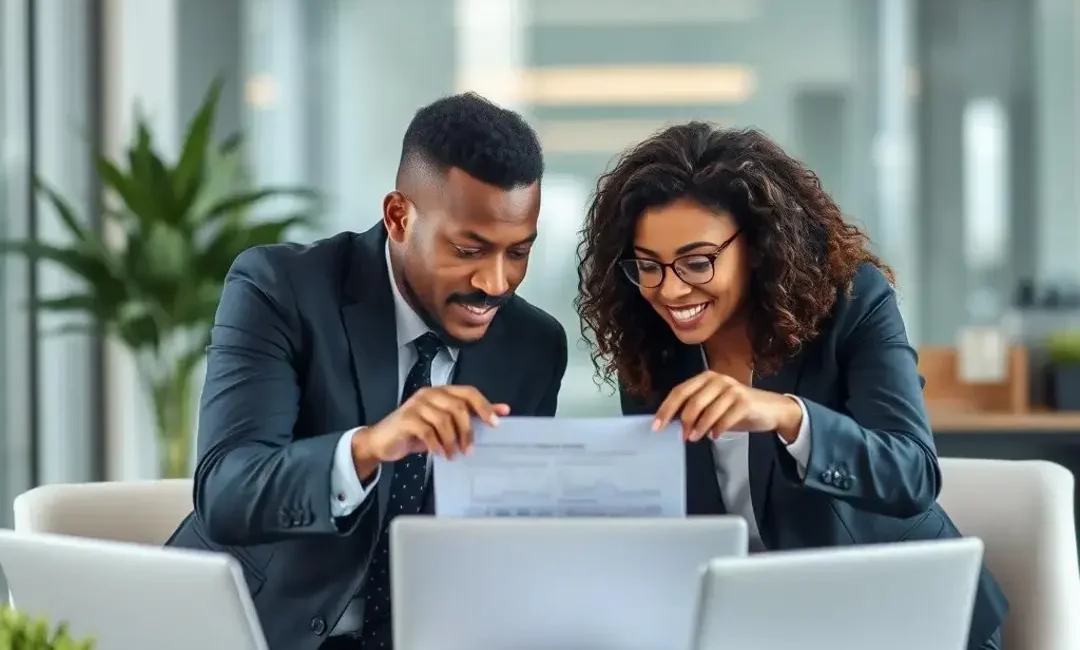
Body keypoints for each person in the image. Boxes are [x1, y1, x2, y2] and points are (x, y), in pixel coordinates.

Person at [575, 123, 1008, 650]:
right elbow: (677, 519)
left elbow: (912, 473)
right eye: (648, 266)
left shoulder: (854, 303)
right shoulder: (652, 347)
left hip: (904, 616)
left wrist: (785, 416)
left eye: (696, 261)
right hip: (761, 625)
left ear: (755, 247)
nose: (669, 288)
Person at [166, 92, 568, 650]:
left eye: (518, 253)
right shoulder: (280, 289)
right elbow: (227, 491)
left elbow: (501, 544)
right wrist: (369, 447)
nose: (495, 283)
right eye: (469, 250)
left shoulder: (533, 345)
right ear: (399, 216)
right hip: (249, 631)